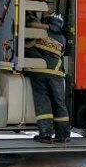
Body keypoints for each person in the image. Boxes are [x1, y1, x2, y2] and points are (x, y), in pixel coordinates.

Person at [25, 12, 70, 143]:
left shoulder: (39, 33)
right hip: (57, 74)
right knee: (59, 104)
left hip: (40, 72)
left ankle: (45, 134)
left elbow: (26, 46)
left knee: (43, 103)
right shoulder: (62, 38)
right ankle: (63, 135)